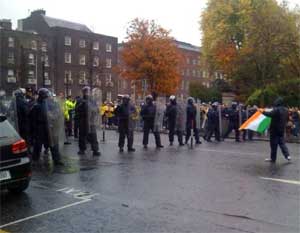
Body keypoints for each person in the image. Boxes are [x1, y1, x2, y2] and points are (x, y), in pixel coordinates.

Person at [30, 88, 64, 166]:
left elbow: (56, 112)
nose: (47, 97)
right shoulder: (36, 105)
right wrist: (34, 130)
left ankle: (57, 159)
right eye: (46, 95)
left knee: (53, 143)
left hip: (49, 126)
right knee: (38, 145)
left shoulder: (49, 104)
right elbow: (32, 119)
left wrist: (54, 116)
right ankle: (35, 160)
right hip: (40, 127)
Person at [262, 97, 291, 163]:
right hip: (281, 129)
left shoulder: (276, 109)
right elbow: (287, 119)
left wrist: (262, 111)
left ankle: (273, 159)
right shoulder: (286, 110)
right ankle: (287, 155)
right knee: (282, 143)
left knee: (273, 145)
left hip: (274, 129)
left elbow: (269, 114)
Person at [76, 86, 101, 156]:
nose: (88, 93)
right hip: (83, 121)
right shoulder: (80, 100)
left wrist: (96, 111)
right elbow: (77, 110)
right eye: (87, 91)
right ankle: (82, 149)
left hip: (91, 121)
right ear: (83, 92)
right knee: (82, 136)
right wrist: (82, 106)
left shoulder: (92, 101)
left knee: (93, 136)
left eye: (89, 91)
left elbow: (96, 109)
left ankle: (95, 150)